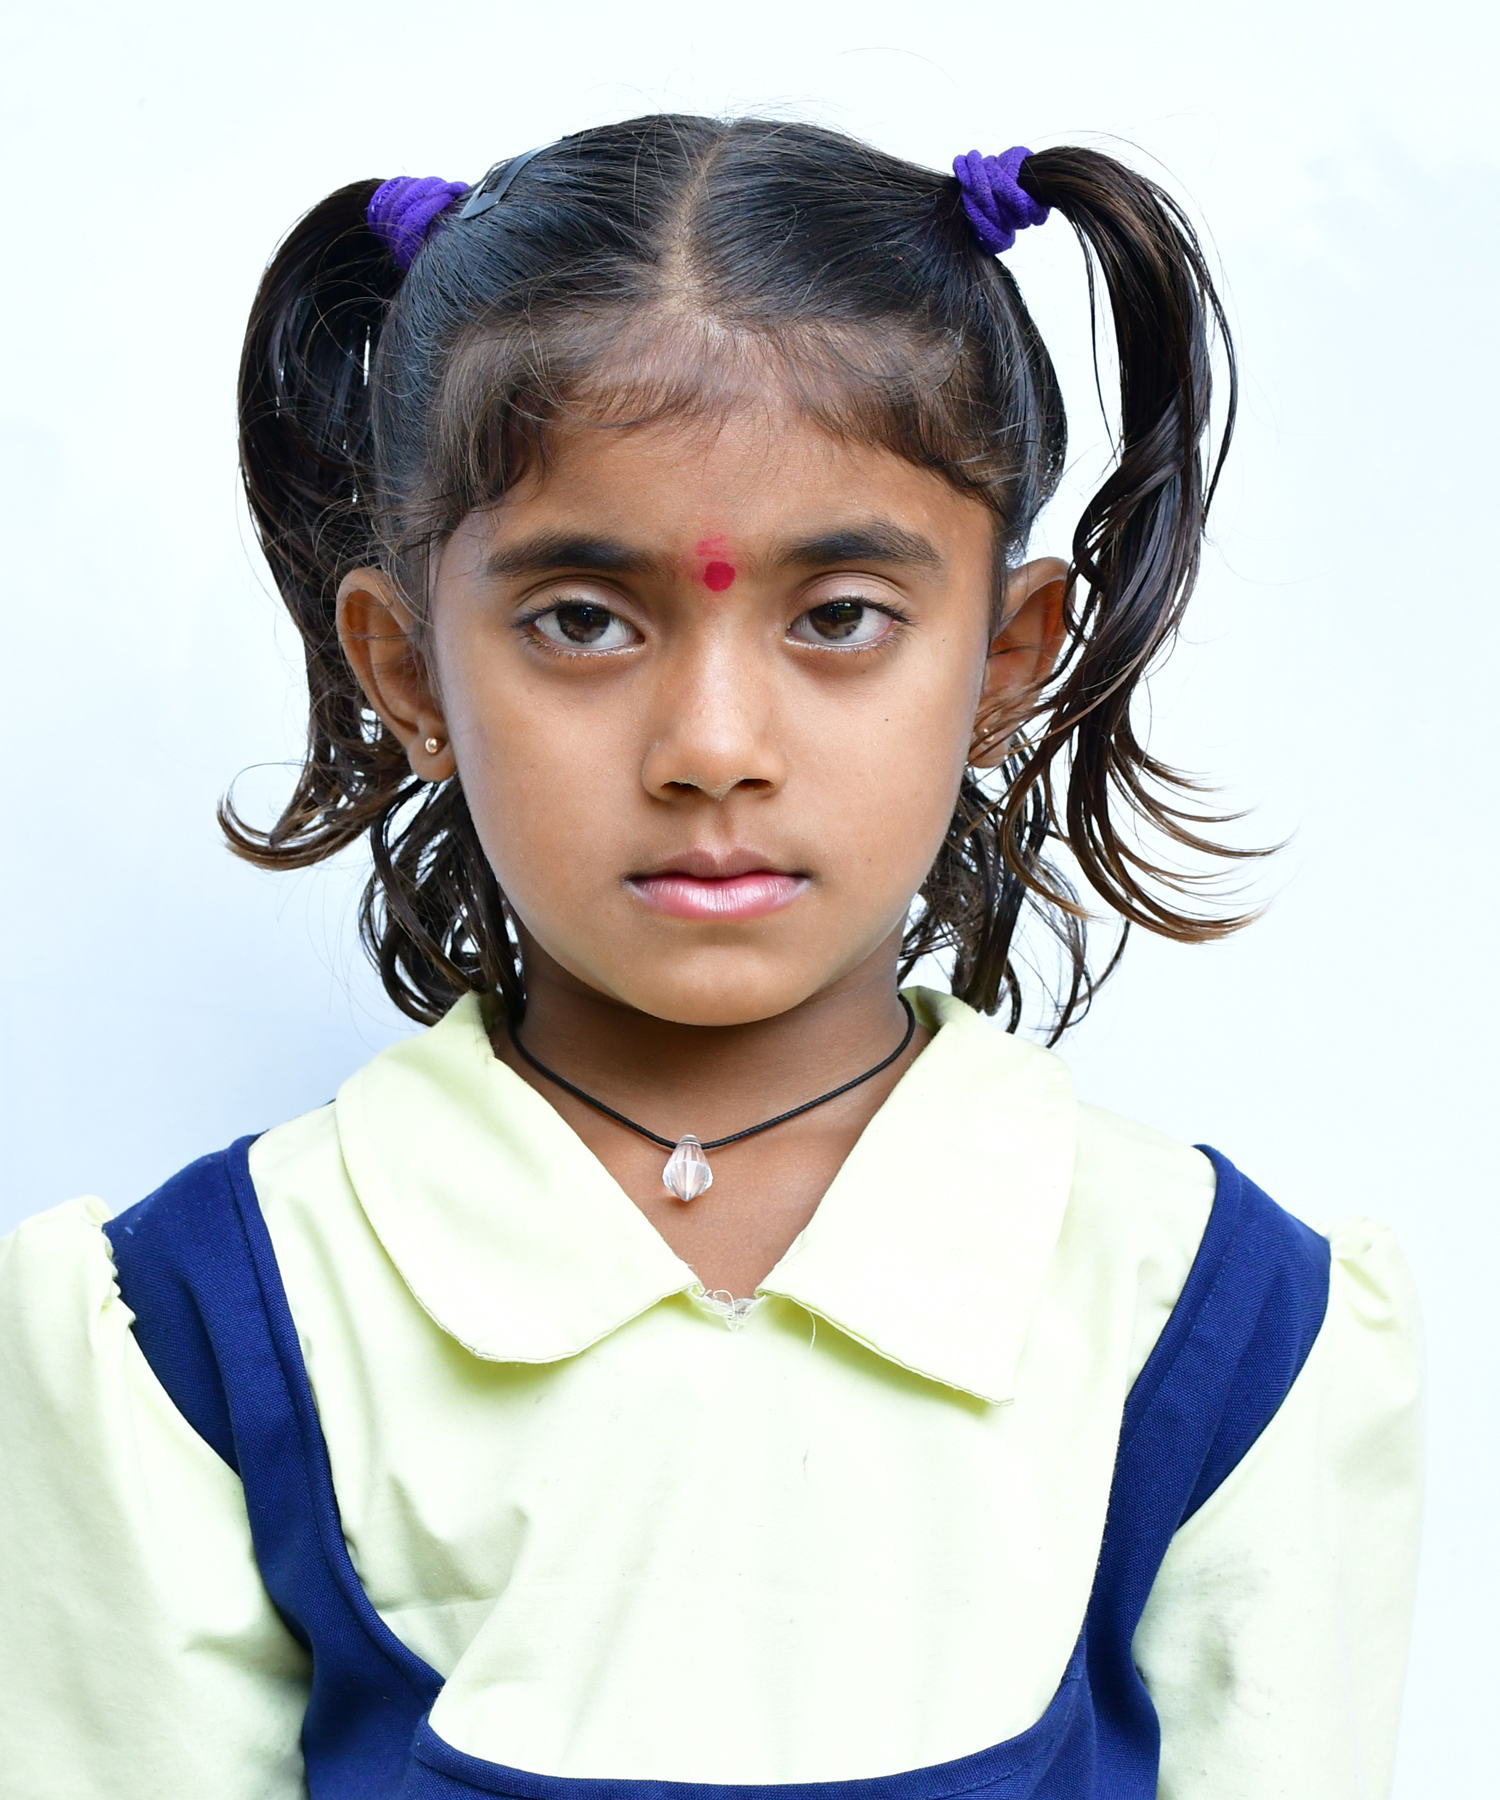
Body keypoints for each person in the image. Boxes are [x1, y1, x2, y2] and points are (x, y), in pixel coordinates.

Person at [0, 117, 1421, 1799]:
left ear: (1005, 659)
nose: (713, 748)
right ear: (408, 672)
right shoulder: (195, 1324)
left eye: (840, 617)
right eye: (583, 620)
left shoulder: (1216, 1321)